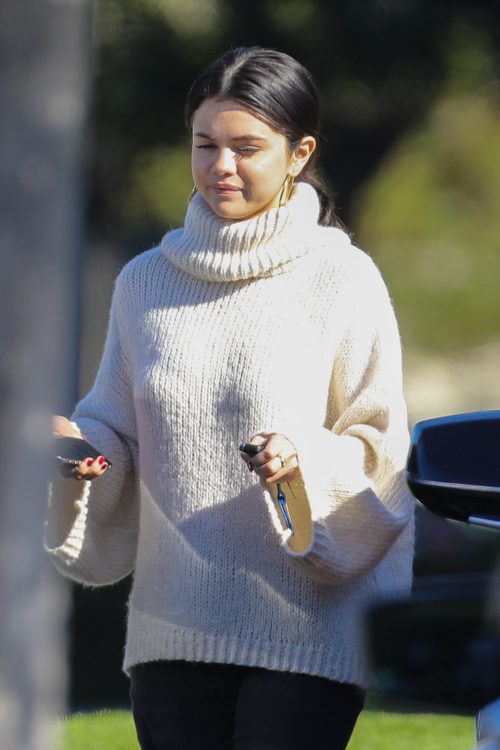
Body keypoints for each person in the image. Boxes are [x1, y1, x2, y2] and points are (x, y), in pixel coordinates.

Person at [46, 46, 414, 750]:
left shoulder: (343, 278)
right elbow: (115, 430)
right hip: (173, 629)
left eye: (247, 148)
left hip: (308, 630)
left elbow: (379, 448)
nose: (221, 166)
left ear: (299, 153)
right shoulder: (143, 283)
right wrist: (80, 451)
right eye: (205, 144)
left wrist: (299, 461)